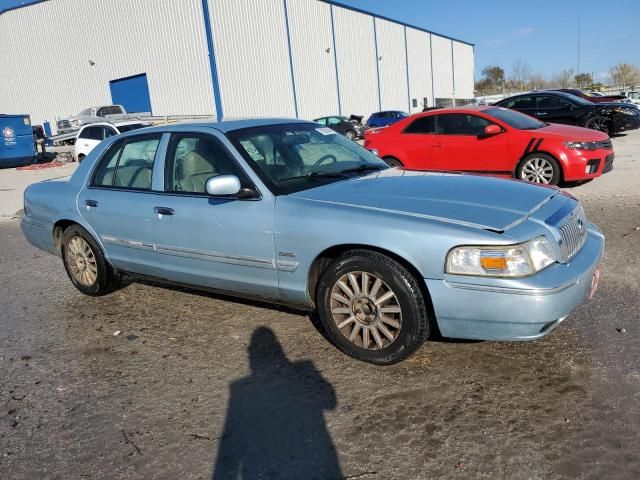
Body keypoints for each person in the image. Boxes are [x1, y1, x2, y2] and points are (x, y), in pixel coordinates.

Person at [212, 327, 342, 480]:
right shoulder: (304, 369)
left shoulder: (239, 388)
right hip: (317, 456)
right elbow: (331, 403)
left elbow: (229, 448)